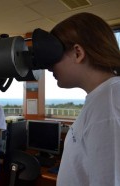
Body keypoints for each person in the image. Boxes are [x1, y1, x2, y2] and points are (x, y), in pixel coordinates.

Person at [47, 12, 120, 185]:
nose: (49, 67)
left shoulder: (108, 105)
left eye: (53, 55)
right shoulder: (103, 97)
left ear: (78, 52)